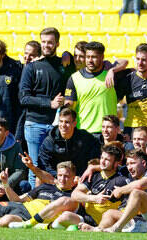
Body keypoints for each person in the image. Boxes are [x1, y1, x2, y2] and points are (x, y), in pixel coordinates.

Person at [20, 27, 76, 188]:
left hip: (58, 125)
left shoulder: (63, 64)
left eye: (50, 42)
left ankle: (53, 197)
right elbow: (23, 98)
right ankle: (33, 200)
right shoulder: (31, 67)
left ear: (57, 43)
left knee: (58, 165)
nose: (46, 45)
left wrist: (69, 56)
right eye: (43, 42)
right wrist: (49, 103)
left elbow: (75, 75)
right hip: (35, 124)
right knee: (35, 166)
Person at [83, 149, 147, 233]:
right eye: (127, 164)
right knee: (109, 213)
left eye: (132, 163)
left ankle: (117, 228)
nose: (129, 167)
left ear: (144, 163)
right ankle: (98, 230)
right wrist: (92, 167)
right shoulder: (130, 173)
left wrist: (120, 190)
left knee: (137, 193)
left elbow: (140, 185)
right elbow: (111, 166)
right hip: (145, 220)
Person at [64, 41, 128, 135]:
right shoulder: (74, 78)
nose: (90, 60)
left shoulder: (112, 75)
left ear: (102, 57)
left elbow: (126, 63)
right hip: (83, 133)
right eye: (87, 57)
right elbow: (70, 105)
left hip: (107, 133)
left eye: (94, 57)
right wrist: (66, 104)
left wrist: (112, 70)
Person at [72, 146, 129, 228]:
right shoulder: (93, 176)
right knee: (65, 216)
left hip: (109, 220)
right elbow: (74, 195)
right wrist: (94, 198)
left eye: (107, 160)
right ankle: (47, 226)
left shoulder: (122, 180)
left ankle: (95, 229)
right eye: (102, 158)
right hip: (88, 218)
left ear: (116, 163)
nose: (102, 162)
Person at [39, 107, 101, 179]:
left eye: (67, 122)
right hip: (58, 178)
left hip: (80, 177)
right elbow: (44, 164)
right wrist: (58, 176)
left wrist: (90, 167)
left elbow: (97, 150)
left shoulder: (84, 137)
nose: (63, 125)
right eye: (61, 121)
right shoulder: (50, 141)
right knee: (39, 179)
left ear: (74, 123)